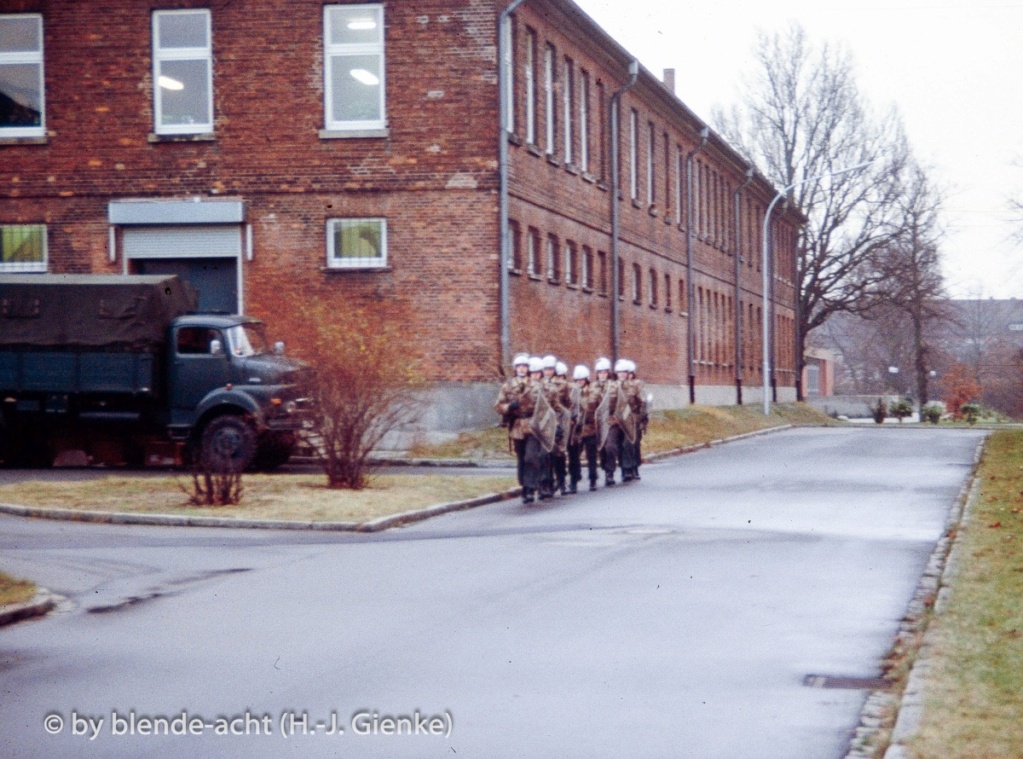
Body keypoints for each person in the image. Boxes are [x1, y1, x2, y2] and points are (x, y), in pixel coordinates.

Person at [494, 353, 542, 504]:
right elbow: (498, 406)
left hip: (533, 425)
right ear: (515, 368)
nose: (522, 368)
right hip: (517, 426)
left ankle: (530, 487)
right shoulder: (508, 386)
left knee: (530, 456)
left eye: (524, 366)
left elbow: (546, 406)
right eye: (519, 366)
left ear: (528, 368)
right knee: (521, 458)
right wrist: (509, 407)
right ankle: (524, 486)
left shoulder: (535, 385)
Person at [569, 364, 600, 492]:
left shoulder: (593, 391)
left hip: (589, 426)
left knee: (591, 455)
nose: (579, 382)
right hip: (576, 428)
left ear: (587, 379)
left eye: (581, 380)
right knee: (573, 455)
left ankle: (593, 479)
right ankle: (574, 480)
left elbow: (590, 407)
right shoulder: (571, 392)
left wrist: (577, 399)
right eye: (577, 380)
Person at [592, 357, 620, 486]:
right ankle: (605, 465)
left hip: (611, 421)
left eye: (604, 372)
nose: (602, 375)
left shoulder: (615, 386)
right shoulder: (592, 387)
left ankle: (610, 473)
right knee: (601, 448)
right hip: (596, 422)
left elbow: (621, 404)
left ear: (608, 372)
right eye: (600, 372)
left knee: (610, 447)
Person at [619, 359, 647, 482]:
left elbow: (642, 402)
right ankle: (625, 469)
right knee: (623, 445)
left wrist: (641, 418)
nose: (627, 375)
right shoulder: (617, 385)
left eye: (629, 373)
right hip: (620, 419)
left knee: (632, 444)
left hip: (633, 419)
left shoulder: (636, 385)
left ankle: (633, 467)